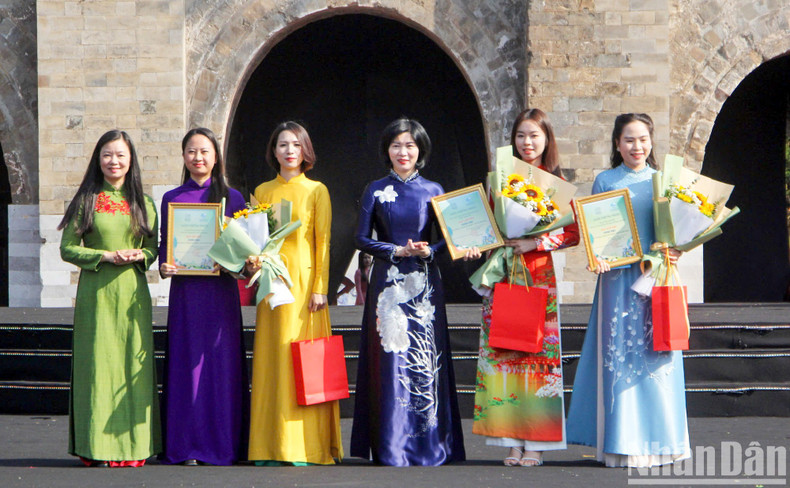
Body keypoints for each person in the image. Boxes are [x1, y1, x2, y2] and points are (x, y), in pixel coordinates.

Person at [566, 113, 690, 467]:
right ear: (617, 144)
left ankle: (662, 441)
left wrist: (678, 247)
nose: (637, 146)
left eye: (643, 139)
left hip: (655, 279)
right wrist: (598, 257)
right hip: (617, 281)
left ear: (651, 142)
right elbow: (596, 234)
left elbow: (674, 230)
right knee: (619, 355)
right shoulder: (605, 181)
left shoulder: (663, 181)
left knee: (657, 354)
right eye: (629, 140)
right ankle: (621, 442)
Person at [350, 117, 468, 466]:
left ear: (421, 151)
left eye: (410, 146)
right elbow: (360, 238)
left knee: (425, 358)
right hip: (387, 283)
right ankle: (391, 444)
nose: (404, 152)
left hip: (425, 284)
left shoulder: (434, 189)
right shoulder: (375, 189)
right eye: (397, 145)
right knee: (389, 359)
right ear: (387, 150)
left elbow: (448, 239)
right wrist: (394, 250)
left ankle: (429, 442)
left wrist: (429, 251)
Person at [472, 108, 580, 467]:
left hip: (538, 276)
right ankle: (510, 441)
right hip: (504, 272)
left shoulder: (557, 182)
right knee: (503, 355)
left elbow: (573, 232)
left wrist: (535, 243)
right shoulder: (501, 181)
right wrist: (480, 241)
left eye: (534, 135)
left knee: (537, 358)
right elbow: (486, 222)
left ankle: (535, 442)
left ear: (546, 139)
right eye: (521, 135)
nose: (527, 142)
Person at [59, 130, 160, 467]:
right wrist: (103, 257)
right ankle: (96, 447)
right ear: (97, 159)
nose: (114, 161)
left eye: (120, 155)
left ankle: (132, 448)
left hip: (132, 294)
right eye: (107, 155)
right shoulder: (86, 200)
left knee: (133, 365)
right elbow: (67, 248)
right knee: (98, 368)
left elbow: (153, 249)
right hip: (97, 294)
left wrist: (139, 256)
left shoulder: (144, 203)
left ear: (131, 160)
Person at [246, 121, 342, 465]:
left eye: (296, 145)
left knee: (303, 363)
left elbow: (323, 241)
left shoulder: (317, 191)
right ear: (273, 151)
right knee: (273, 363)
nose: (289, 151)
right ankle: (268, 446)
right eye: (283, 145)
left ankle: (306, 447)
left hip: (303, 290)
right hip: (272, 287)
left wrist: (320, 288)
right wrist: (251, 263)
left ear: (306, 151)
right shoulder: (262, 191)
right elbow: (253, 238)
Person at [158, 128, 249, 466]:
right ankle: (185, 446)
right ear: (183, 157)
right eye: (191, 151)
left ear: (216, 156)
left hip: (220, 293)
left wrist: (240, 262)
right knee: (185, 366)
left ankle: (222, 445)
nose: (198, 158)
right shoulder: (172, 198)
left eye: (204, 151)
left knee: (218, 366)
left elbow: (245, 255)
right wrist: (165, 266)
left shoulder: (234, 198)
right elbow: (165, 245)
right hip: (185, 293)